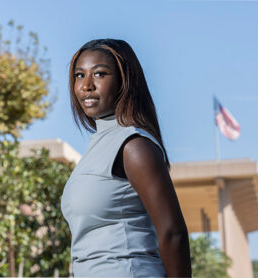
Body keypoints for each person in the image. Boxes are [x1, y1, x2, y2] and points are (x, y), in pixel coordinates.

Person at [61, 39, 191, 277]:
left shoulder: (133, 145)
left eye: (100, 74)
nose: (87, 85)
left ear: (124, 81)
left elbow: (173, 233)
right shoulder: (97, 146)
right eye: (79, 75)